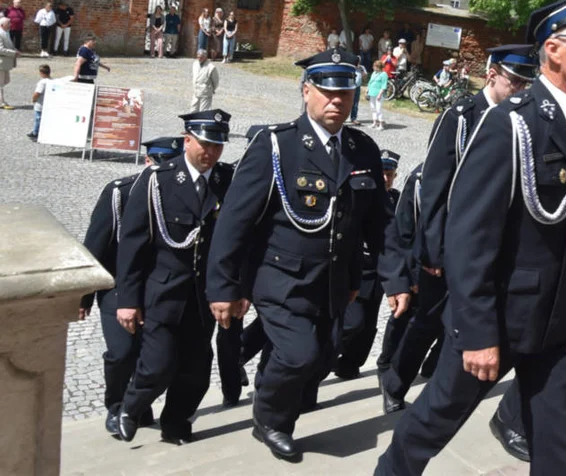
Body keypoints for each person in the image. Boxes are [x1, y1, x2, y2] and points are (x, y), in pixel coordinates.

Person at [375, 0, 566, 476]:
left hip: (561, 321)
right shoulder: (510, 125)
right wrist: (477, 332)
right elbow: (470, 236)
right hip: (500, 316)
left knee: (558, 447)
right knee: (434, 421)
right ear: (553, 49)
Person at [206, 47, 393, 463]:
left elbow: (379, 224)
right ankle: (270, 421)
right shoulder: (275, 146)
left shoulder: (362, 148)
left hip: (333, 282)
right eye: (326, 92)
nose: (336, 101)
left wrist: (396, 277)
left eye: (345, 94)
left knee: (322, 356)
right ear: (306, 91)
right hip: (280, 276)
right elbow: (234, 222)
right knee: (299, 355)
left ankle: (274, 385)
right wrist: (222, 286)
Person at [378, 46, 535, 419]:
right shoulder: (461, 116)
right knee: (426, 321)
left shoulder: (523, 119)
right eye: (515, 80)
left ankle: (443, 386)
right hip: (450, 244)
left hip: (492, 245)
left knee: (470, 320)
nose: (520, 88)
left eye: (527, 83)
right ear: (493, 73)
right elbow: (434, 185)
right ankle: (395, 382)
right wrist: (432, 249)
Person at [113, 111, 235, 444]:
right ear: (187, 140)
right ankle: (130, 406)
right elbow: (133, 246)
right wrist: (127, 301)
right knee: (157, 364)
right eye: (205, 144)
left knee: (196, 371)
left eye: (218, 145)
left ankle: (176, 423)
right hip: (163, 293)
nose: (210, 153)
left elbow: (238, 240)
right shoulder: (158, 180)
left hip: (202, 297)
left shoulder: (228, 181)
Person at [78, 136, 185, 435]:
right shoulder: (120, 193)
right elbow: (96, 244)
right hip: (117, 284)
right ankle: (116, 405)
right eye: (160, 163)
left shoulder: (179, 193)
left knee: (154, 353)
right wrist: (84, 296)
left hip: (155, 285)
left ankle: (138, 403)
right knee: (122, 352)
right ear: (148, 161)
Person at [334, 149, 405, 379]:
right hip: (357, 269)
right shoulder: (362, 195)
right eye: (382, 172)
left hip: (379, 275)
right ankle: (323, 356)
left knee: (367, 330)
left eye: (390, 173)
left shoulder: (397, 199)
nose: (385, 178)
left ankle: (348, 366)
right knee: (353, 323)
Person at [376, 161, 426, 384]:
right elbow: (404, 234)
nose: (387, 179)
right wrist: (410, 273)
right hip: (414, 265)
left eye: (391, 174)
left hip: (444, 267)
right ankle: (387, 365)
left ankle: (430, 367)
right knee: (403, 316)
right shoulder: (420, 180)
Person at [28, 64, 50, 140]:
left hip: (40, 104)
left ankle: (36, 132)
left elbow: (37, 93)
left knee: (38, 119)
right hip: (48, 104)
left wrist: (33, 99)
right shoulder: (51, 81)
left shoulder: (42, 82)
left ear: (41, 73)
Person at [0, 17, 18, 109]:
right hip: (1, 63)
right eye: (8, 23)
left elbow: (9, 45)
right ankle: (1, 102)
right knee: (0, 83)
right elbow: (0, 49)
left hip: (6, 63)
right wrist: (13, 53)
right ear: (2, 25)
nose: (10, 25)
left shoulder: (6, 33)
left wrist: (14, 50)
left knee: (6, 81)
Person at [368, 59, 388, 130]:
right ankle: (374, 122)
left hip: (378, 94)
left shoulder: (384, 74)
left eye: (375, 66)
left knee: (378, 109)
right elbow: (370, 82)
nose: (373, 67)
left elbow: (384, 85)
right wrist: (367, 91)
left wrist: (380, 94)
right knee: (373, 108)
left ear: (379, 67)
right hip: (371, 93)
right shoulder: (374, 73)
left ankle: (381, 124)